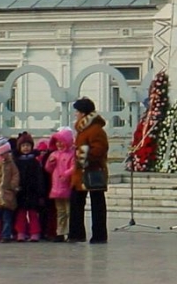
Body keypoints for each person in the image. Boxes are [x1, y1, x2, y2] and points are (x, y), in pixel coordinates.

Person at [68, 97, 109, 244]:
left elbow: (100, 149)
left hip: (93, 171)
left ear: (84, 113)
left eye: (77, 111)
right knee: (77, 203)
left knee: (97, 204)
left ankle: (98, 235)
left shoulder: (95, 130)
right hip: (81, 173)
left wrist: (83, 155)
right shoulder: (83, 129)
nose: (75, 114)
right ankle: (76, 233)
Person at [13, 131, 46, 242]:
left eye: (28, 145)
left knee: (33, 214)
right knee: (21, 214)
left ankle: (35, 232)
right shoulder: (16, 161)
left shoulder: (35, 162)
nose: (26, 148)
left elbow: (39, 177)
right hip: (21, 191)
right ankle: (21, 232)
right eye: (23, 146)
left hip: (33, 192)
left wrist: (41, 192)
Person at [45, 127, 76, 242]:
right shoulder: (54, 154)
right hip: (56, 187)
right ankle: (60, 232)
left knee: (69, 211)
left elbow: (74, 167)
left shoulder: (72, 154)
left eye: (61, 142)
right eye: (57, 142)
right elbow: (48, 169)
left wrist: (66, 174)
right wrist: (50, 163)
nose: (59, 144)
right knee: (60, 212)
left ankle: (70, 231)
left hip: (67, 185)